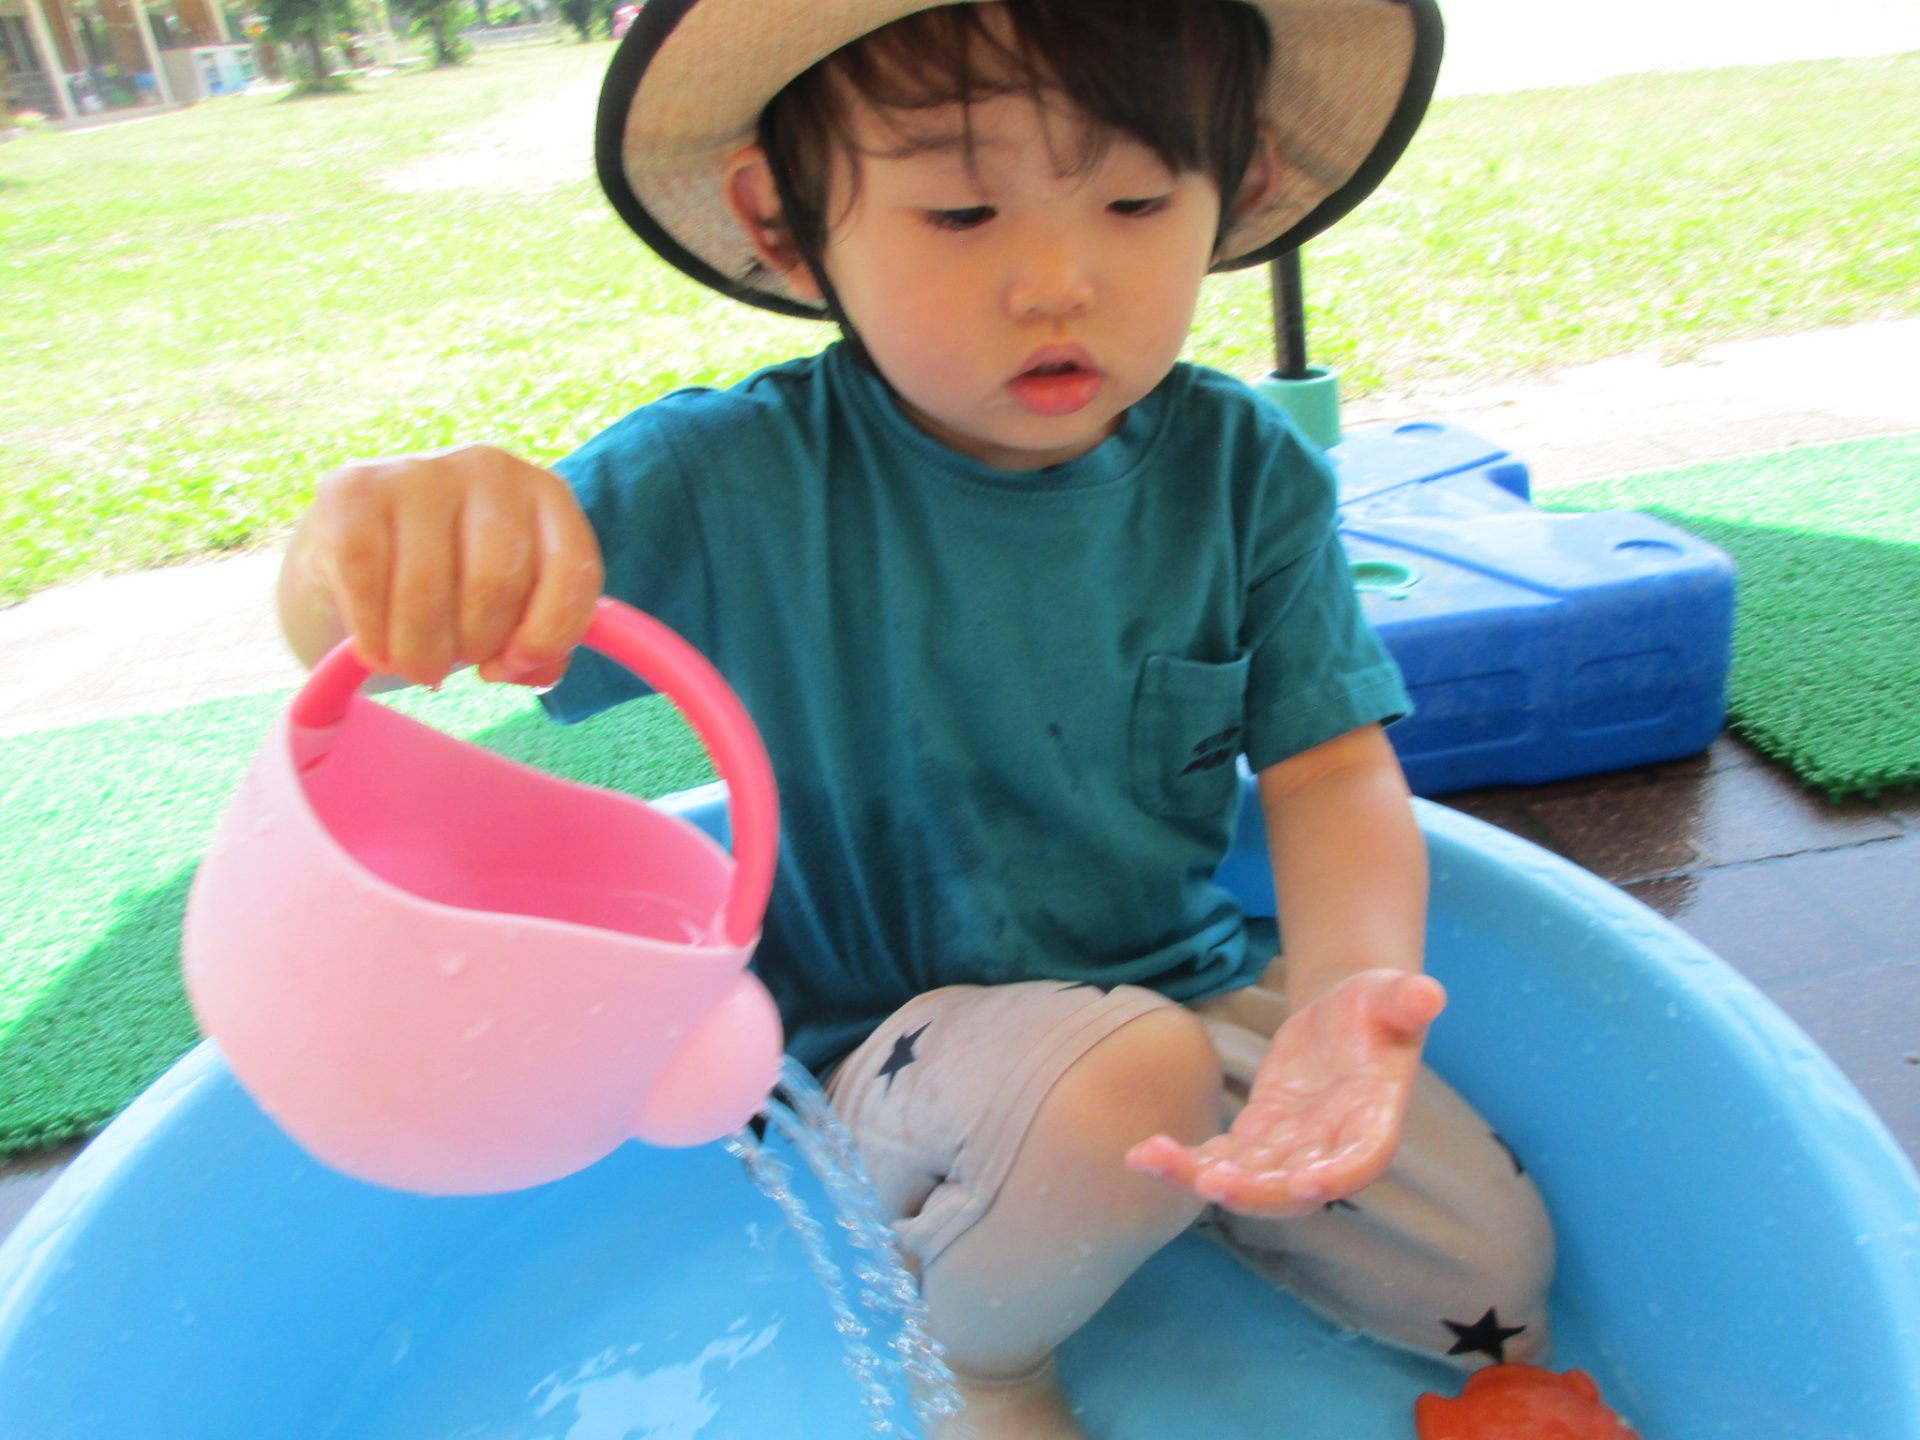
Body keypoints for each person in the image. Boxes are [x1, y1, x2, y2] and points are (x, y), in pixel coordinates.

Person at [277, 2, 1554, 1434]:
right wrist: (377, 547)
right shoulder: (724, 484)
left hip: (1180, 997)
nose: (1058, 282)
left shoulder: (1242, 471)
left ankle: (1119, 1199)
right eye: (961, 213)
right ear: (783, 223)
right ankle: (982, 1356)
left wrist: (1341, 1005)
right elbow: (357, 648)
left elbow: (1325, 772)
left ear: (1239, 188)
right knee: (1127, 1080)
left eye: (1137, 201)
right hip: (880, 1067)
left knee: (1487, 1269)